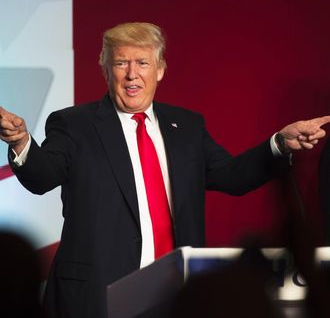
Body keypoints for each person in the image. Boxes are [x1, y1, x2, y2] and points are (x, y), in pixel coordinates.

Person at [0, 22, 329, 318]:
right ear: (105, 68)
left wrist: (279, 144)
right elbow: (43, 176)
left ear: (160, 69)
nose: (132, 74)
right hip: (96, 295)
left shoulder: (186, 126)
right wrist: (21, 142)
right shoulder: (75, 124)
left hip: (174, 294)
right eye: (120, 63)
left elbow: (231, 176)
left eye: (142, 63)